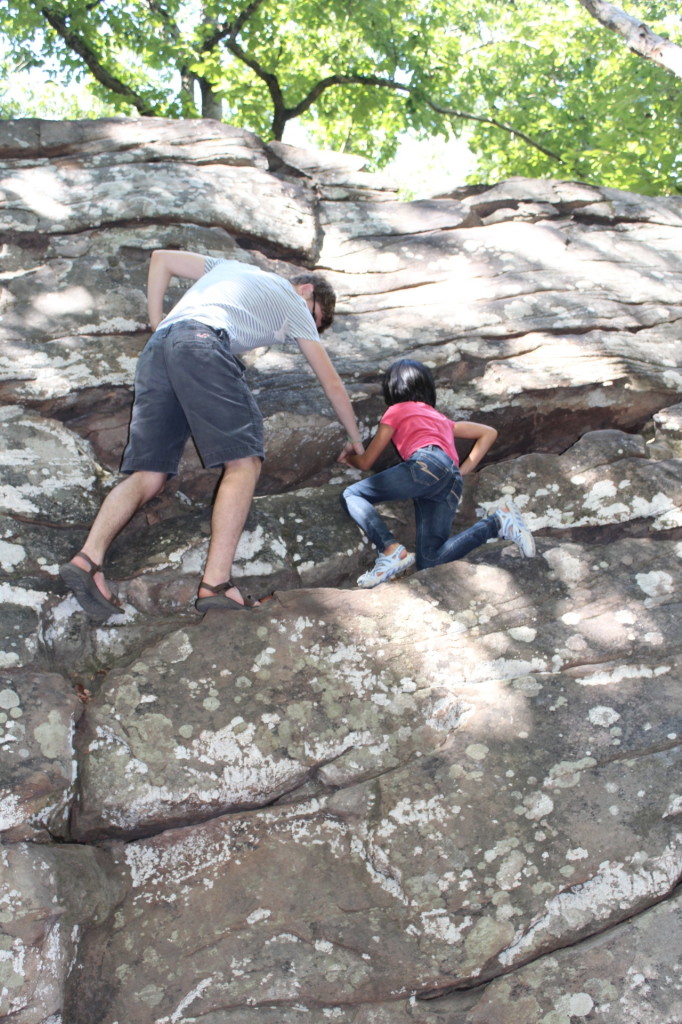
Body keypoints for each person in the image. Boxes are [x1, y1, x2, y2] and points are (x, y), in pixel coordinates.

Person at [59, 250, 365, 618]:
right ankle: (216, 583)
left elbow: (161, 260)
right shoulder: (294, 302)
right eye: (313, 321)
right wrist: (357, 440)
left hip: (158, 352)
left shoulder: (232, 267)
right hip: (202, 342)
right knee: (245, 462)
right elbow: (331, 382)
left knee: (149, 474)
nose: (304, 333)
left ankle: (88, 559)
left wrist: (158, 324)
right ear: (305, 290)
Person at [338, 358, 535, 588]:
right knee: (430, 561)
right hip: (449, 480)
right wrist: (460, 471)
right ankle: (498, 522)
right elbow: (488, 433)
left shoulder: (396, 410)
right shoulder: (439, 418)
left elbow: (367, 461)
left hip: (425, 464)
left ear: (392, 388)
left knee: (352, 494)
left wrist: (347, 458)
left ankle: (390, 550)